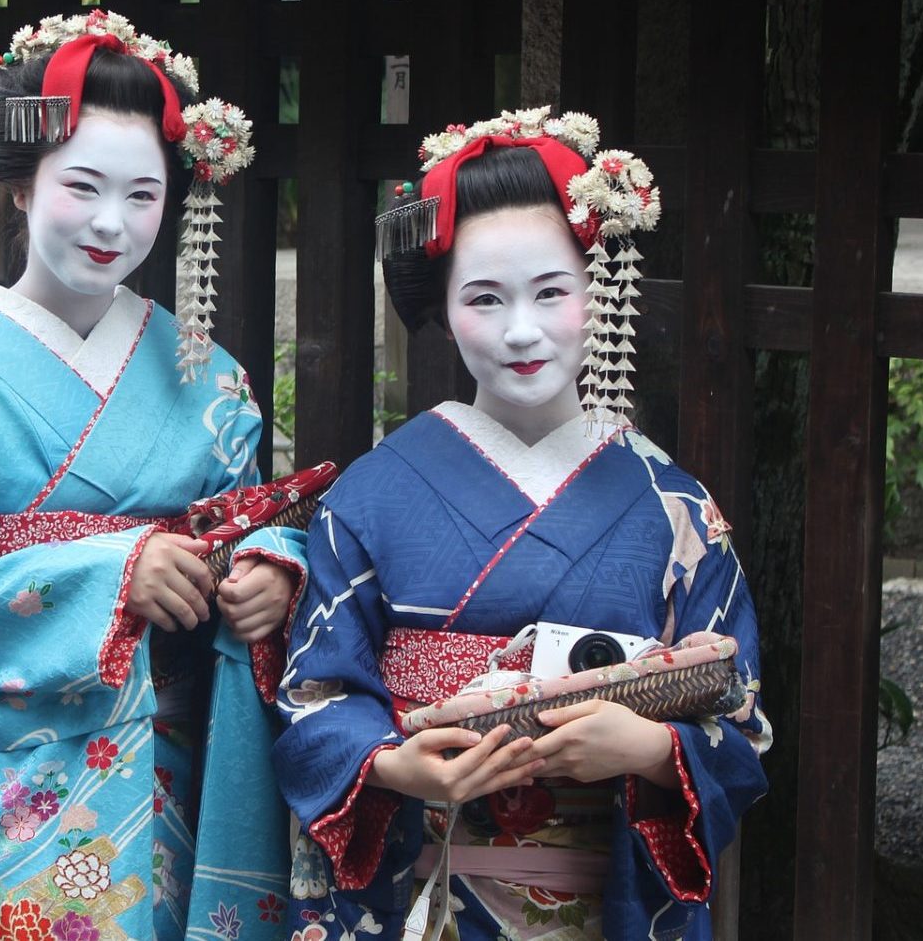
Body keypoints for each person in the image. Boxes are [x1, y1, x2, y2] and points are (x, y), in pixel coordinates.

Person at [0, 10, 310, 941]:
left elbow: (249, 513)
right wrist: (115, 574)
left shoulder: (204, 372)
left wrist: (269, 565)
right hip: (11, 774)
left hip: (182, 761)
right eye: (82, 186)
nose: (113, 222)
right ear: (21, 185)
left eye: (143, 195)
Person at [272, 107, 771, 940]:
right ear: (441, 305)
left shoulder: (674, 505)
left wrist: (648, 749)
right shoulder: (372, 495)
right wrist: (394, 762)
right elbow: (315, 693)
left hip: (604, 900)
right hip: (425, 892)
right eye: (485, 299)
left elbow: (742, 719)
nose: (522, 331)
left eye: (552, 291)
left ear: (596, 287)